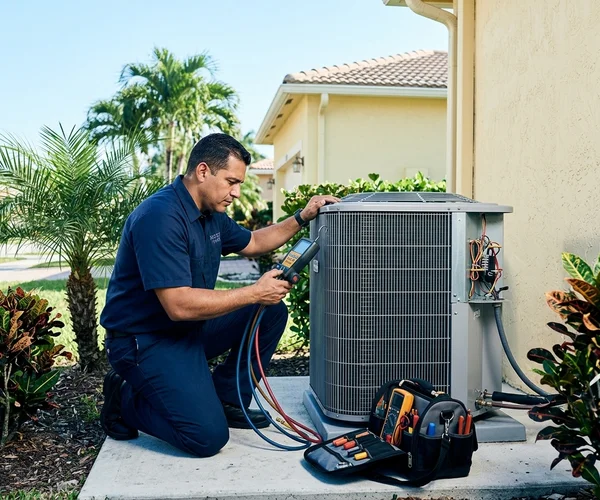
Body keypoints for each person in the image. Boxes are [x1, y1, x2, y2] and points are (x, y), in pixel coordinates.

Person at [99, 133, 339, 457]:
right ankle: (124, 398)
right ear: (202, 172)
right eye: (231, 181)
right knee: (206, 438)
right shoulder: (160, 218)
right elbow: (179, 306)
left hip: (187, 331)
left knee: (271, 312)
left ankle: (228, 398)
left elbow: (254, 241)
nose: (236, 192)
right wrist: (255, 291)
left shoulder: (211, 215)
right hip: (145, 341)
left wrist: (302, 217)